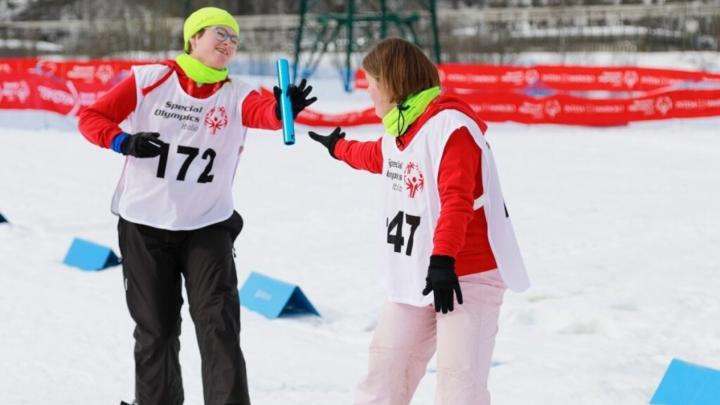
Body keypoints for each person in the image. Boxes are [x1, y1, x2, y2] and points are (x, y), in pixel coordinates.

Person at [77, 7, 316, 405]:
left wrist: (282, 108)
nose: (228, 43)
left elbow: (264, 114)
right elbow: (91, 117)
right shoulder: (151, 79)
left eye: (235, 39)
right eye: (220, 33)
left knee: (218, 325)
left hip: (207, 226)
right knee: (158, 329)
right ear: (193, 38)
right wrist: (123, 141)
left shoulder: (238, 92)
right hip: (145, 224)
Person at [308, 38, 530, 405]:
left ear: (391, 84)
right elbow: (376, 156)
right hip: (415, 275)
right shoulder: (403, 130)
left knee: (460, 387)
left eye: (370, 85)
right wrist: (338, 148)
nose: (368, 95)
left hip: (466, 274)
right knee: (383, 374)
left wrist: (443, 261)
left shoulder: (450, 128)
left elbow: (456, 200)